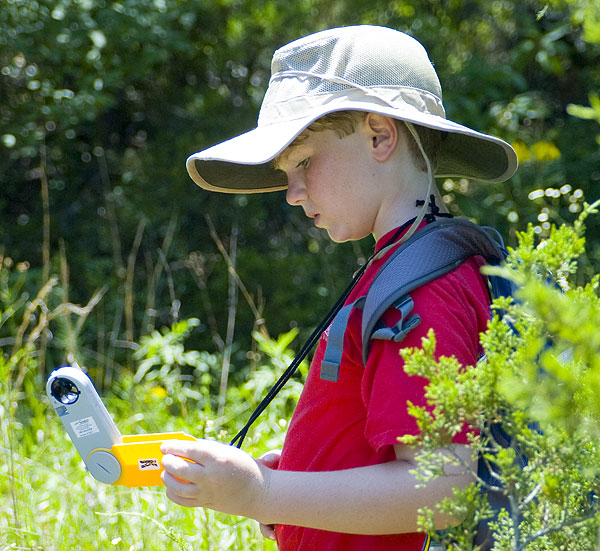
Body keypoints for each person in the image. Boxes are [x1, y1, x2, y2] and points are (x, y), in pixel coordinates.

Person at [160, 25, 518, 550]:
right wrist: (299, 480)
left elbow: (442, 489)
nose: (292, 192)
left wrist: (264, 493)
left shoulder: (422, 290)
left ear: (379, 135)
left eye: (303, 161)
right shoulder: (404, 267)